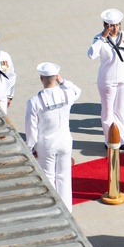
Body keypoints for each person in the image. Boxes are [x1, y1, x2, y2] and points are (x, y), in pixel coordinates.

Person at [25, 62, 81, 211]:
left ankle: (52, 209)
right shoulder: (67, 94)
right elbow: (77, 90)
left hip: (46, 145)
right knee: (64, 177)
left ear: (41, 78)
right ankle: (67, 210)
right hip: (65, 142)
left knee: (48, 178)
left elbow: (31, 129)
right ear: (55, 77)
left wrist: (30, 148)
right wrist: (62, 81)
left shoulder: (34, 101)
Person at [87, 8, 124, 152]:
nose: (114, 28)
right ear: (105, 26)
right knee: (108, 111)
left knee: (120, 110)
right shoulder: (99, 39)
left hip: (123, 78)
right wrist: (102, 37)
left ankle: (120, 139)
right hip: (107, 80)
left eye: (117, 25)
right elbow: (91, 54)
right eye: (111, 26)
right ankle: (109, 140)